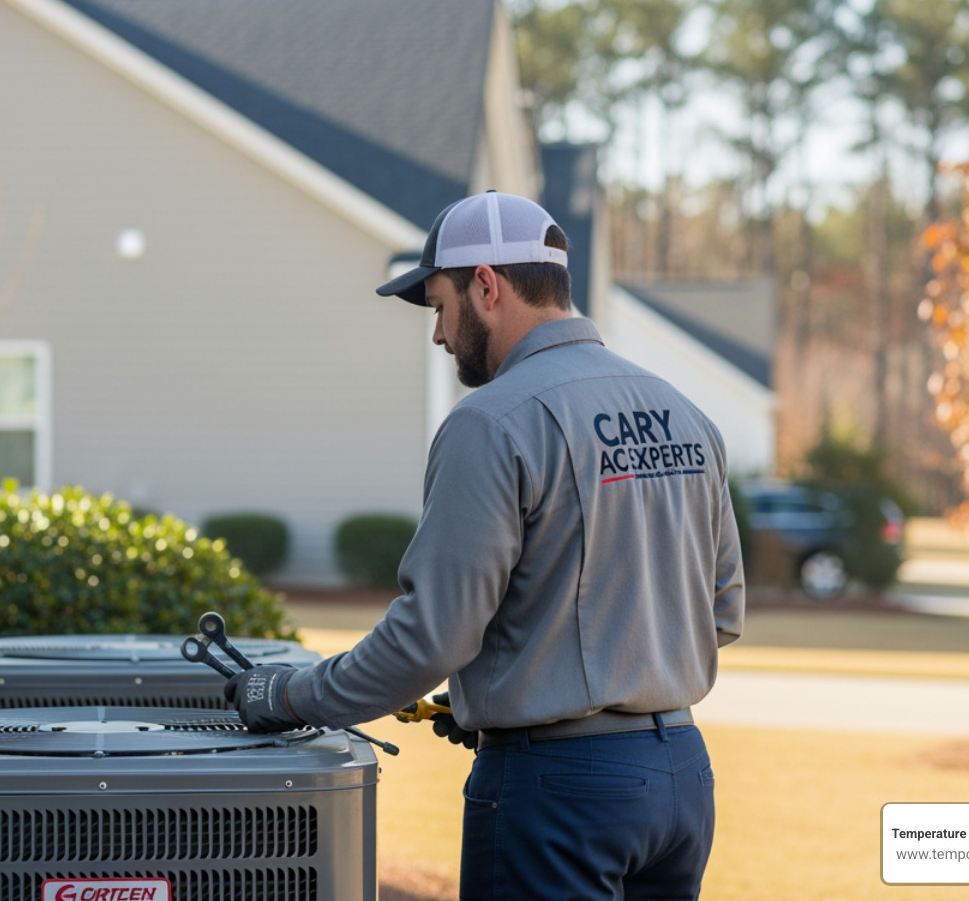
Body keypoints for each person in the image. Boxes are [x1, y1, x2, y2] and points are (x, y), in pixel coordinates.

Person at [226, 190, 744, 900]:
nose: (438, 335)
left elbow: (428, 640)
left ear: (487, 286)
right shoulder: (686, 416)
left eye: (439, 305)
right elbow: (720, 611)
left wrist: (286, 695)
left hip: (559, 794)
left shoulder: (493, 423)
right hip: (681, 781)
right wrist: (526, 685)